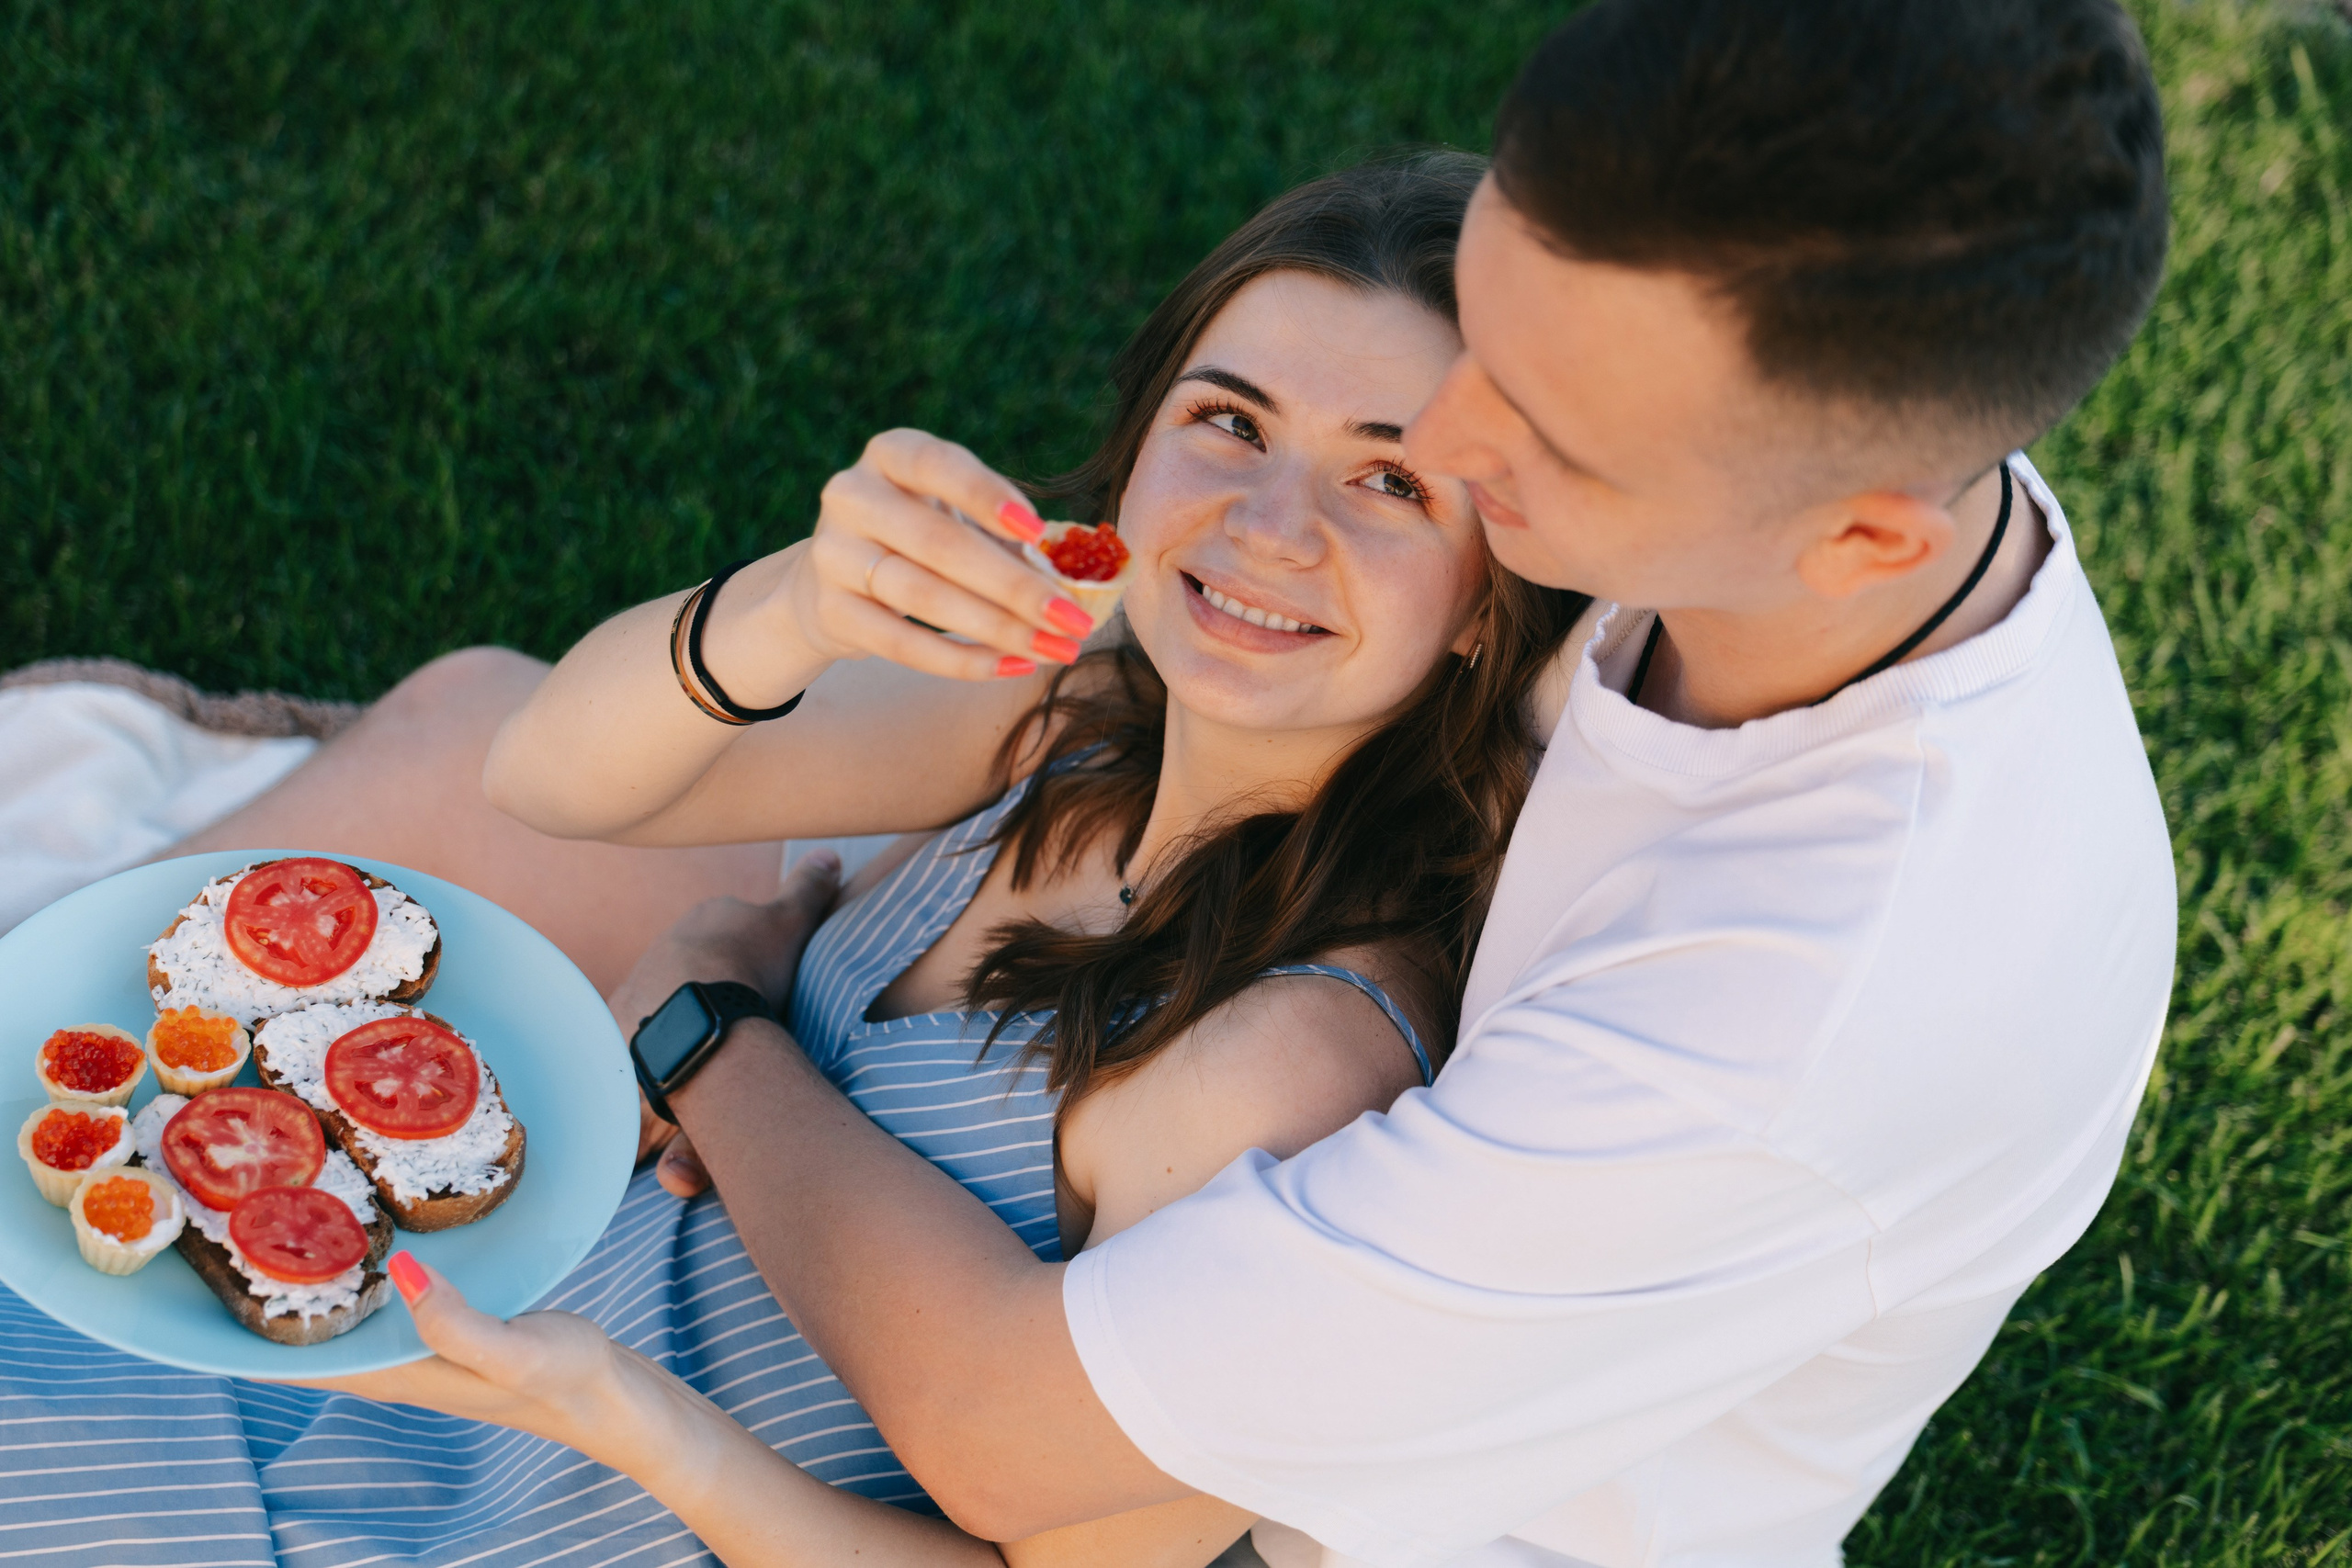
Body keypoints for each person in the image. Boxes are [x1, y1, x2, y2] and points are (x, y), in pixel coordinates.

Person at [283, 2, 2178, 1566]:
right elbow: (577, 769)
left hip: (1296, 1516)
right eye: (1488, 328)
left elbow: (1019, 1458)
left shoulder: (1753, 1035)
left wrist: (707, 1020)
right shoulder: (1810, 486)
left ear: (1851, 533)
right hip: (737, 1327)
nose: (1444, 428)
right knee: (462, 742)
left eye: (1501, 446)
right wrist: (794, 618)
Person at [1, 156, 1589, 1568]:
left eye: (1389, 477)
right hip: (389, 1402)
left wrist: (702, 1065)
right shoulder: (1073, 719)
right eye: (1228, 421)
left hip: (554, 1513)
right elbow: (547, 771)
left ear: (1487, 594)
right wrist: (798, 609)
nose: (1263, 520)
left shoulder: (1287, 1054)